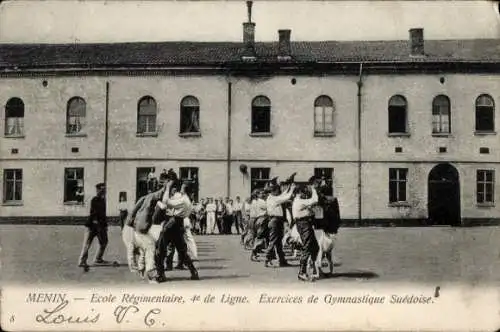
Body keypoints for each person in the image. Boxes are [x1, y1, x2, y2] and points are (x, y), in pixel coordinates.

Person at [126, 181, 171, 283]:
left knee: (144, 248)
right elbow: (163, 205)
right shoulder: (152, 198)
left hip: (141, 228)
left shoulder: (144, 198)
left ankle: (142, 268)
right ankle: (151, 275)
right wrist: (167, 187)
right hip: (146, 227)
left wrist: (130, 223)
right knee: (150, 248)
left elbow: (134, 210)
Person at [156, 180, 199, 281]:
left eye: (182, 187)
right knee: (182, 251)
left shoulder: (183, 200)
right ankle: (194, 272)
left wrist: (167, 188)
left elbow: (166, 202)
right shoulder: (186, 199)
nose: (180, 188)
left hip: (172, 223)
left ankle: (160, 274)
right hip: (178, 224)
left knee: (160, 248)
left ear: (185, 189)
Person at [264, 177, 295, 267]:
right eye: (278, 191)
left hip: (276, 221)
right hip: (275, 221)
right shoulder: (274, 199)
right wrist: (292, 189)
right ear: (274, 191)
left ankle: (282, 261)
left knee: (278, 243)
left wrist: (289, 187)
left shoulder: (272, 197)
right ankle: (267, 258)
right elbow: (286, 197)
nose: (279, 192)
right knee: (273, 241)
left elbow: (283, 195)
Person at [292, 179, 320, 281]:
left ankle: (313, 268)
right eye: (304, 192)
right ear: (300, 193)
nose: (305, 194)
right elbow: (315, 199)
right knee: (307, 247)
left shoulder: (298, 201)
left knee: (315, 247)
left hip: (305, 224)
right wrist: (313, 189)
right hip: (304, 225)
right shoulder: (299, 201)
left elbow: (310, 209)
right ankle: (302, 272)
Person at [78, 183, 108, 267]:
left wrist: (105, 226)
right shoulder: (94, 200)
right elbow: (94, 214)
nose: (103, 191)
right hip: (91, 226)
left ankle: (98, 259)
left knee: (104, 242)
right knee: (87, 243)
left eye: (104, 190)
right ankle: (81, 261)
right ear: (97, 190)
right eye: (102, 190)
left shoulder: (103, 201)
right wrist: (97, 225)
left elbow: (103, 215)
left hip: (100, 226)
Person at [250, 189, 269, 261]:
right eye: (261, 193)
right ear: (257, 195)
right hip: (262, 219)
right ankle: (254, 254)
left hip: (261, 219)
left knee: (263, 237)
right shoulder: (261, 201)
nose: (263, 194)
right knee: (260, 238)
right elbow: (268, 207)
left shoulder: (257, 201)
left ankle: (269, 253)